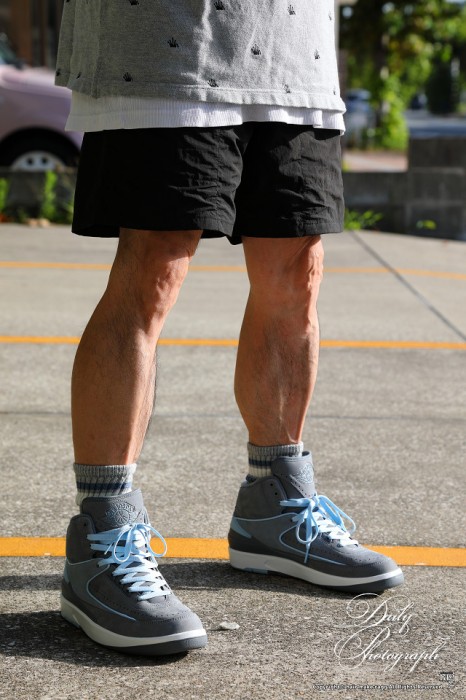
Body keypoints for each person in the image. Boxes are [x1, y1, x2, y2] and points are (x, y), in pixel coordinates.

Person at [55, 1, 403, 657]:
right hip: (167, 40)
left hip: (294, 48)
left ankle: (275, 503)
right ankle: (101, 535)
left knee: (297, 268)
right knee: (155, 264)